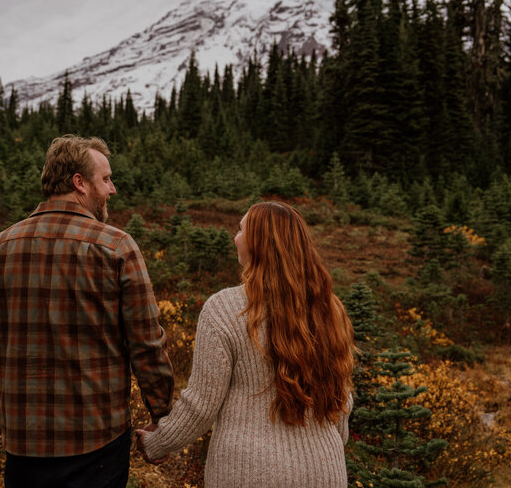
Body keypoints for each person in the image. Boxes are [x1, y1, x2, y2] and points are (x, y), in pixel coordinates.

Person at [0, 134, 174, 488]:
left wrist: (12, 404)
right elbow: (145, 343)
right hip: (96, 441)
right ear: (79, 183)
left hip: (23, 443)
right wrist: (163, 416)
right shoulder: (116, 246)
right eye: (106, 179)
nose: (112, 189)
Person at [136, 201, 355, 487]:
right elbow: (342, 400)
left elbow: (202, 405)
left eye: (241, 229)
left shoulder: (225, 309)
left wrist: (157, 442)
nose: (234, 237)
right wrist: (321, 447)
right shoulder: (329, 309)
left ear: (260, 244)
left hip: (248, 472)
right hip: (325, 471)